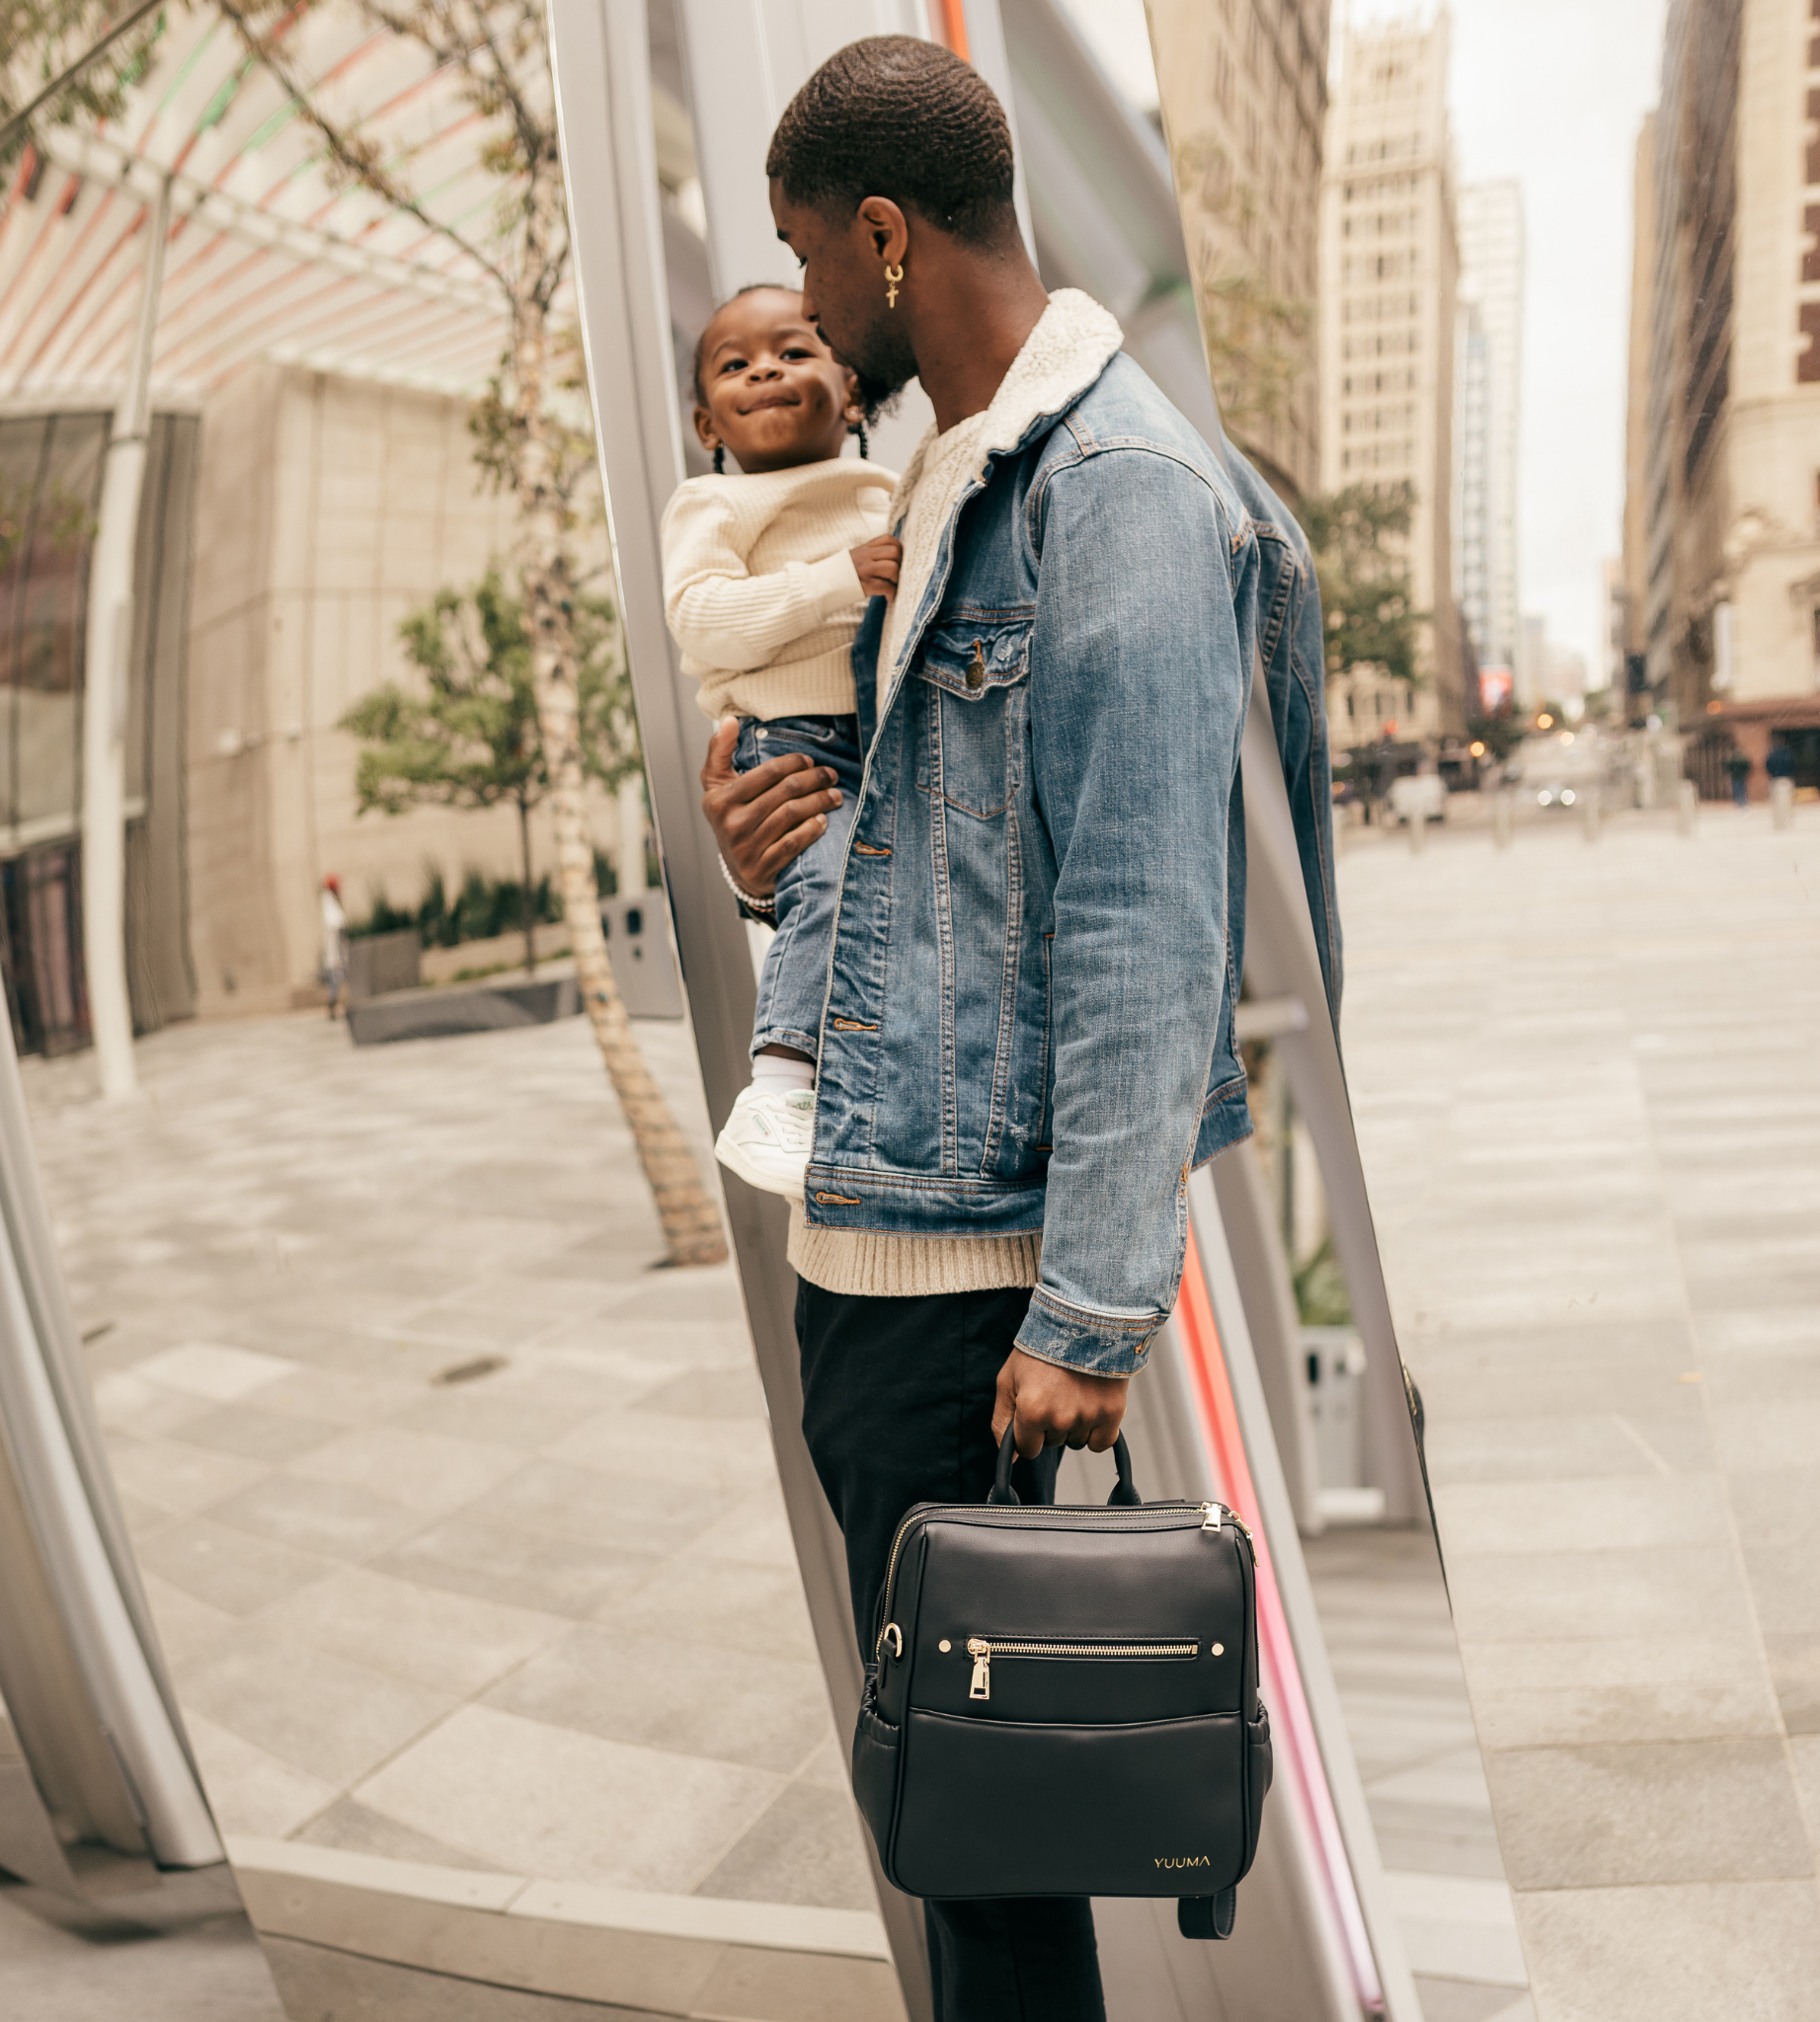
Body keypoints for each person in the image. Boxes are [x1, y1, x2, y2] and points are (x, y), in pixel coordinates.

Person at [696, 38, 1339, 2020]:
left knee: (982, 1830)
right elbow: (934, 862)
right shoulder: (956, 474)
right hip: (878, 1222)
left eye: (808, 260)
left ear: (883, 235)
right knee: (965, 1811)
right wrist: (758, 861)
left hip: (959, 1276)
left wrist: (1081, 1310)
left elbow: (1149, 911)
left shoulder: (1119, 486)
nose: (799, 308)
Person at [662, 286, 902, 1199]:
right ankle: (779, 1086)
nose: (765, 369)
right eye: (735, 364)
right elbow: (704, 620)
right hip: (791, 751)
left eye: (793, 352)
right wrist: (836, 582)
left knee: (882, 908)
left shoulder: (890, 492)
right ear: (706, 419)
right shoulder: (715, 503)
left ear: (850, 385)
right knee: (832, 887)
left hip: (890, 743)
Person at [319, 875, 348, 1020]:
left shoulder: (330, 905)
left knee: (335, 983)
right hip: (335, 956)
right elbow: (337, 926)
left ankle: (333, 1008)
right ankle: (332, 1009)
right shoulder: (331, 907)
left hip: (336, 955)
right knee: (335, 983)